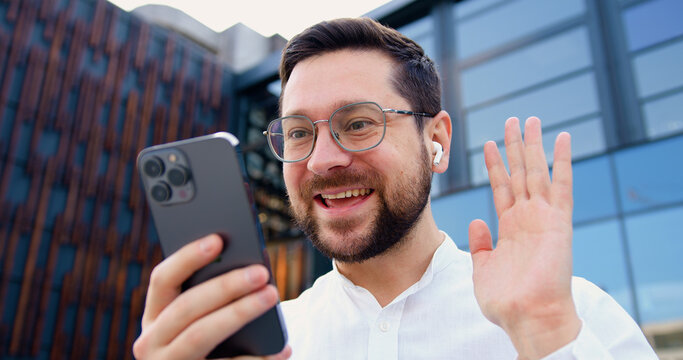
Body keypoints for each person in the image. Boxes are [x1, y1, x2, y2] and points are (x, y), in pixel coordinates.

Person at [132, 18, 656, 359]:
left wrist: (545, 333)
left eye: (358, 124)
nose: (322, 159)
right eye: (297, 133)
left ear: (437, 140)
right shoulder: (270, 342)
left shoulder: (574, 316)